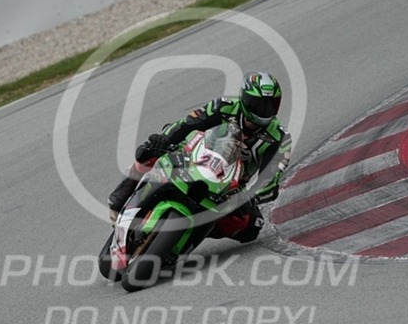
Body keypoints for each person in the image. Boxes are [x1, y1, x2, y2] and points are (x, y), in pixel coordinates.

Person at [108, 71, 292, 243]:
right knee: (149, 153)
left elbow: (271, 178)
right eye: (257, 104)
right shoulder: (224, 106)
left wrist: (253, 196)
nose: (263, 110)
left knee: (251, 228)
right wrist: (163, 139)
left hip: (228, 188)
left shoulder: (279, 137)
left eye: (270, 105)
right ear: (244, 98)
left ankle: (194, 230)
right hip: (191, 159)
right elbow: (187, 124)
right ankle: (118, 200)